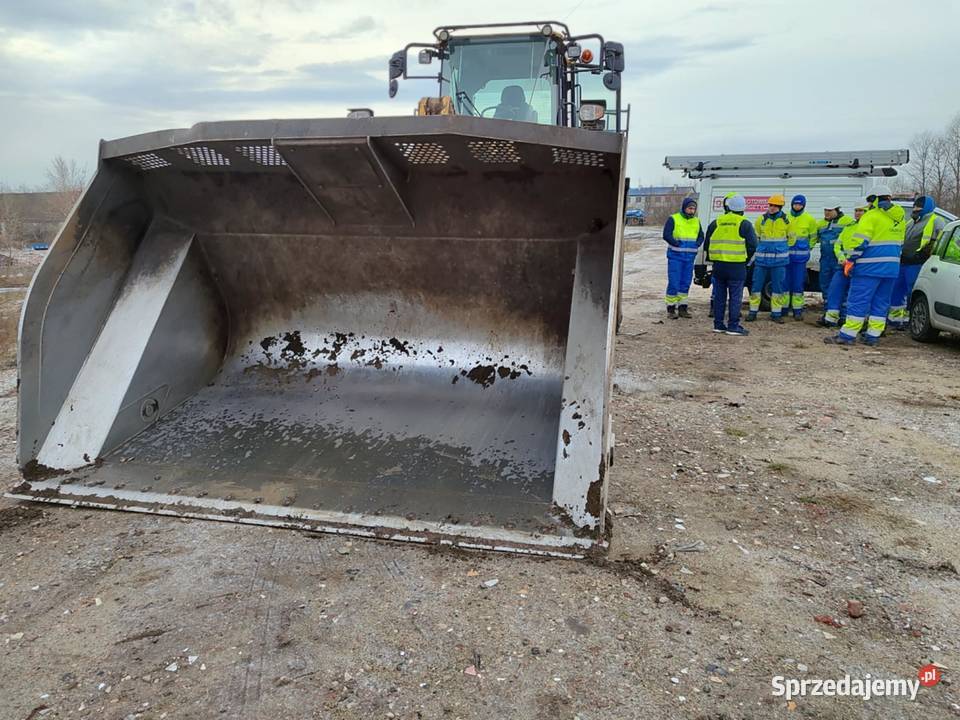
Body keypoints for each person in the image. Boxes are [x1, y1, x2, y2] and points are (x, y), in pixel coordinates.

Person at [824, 185, 906, 346]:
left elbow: (860, 242)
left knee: (858, 301)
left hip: (868, 268)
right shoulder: (900, 218)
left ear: (874, 199)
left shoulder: (871, 216)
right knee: (881, 303)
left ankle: (847, 335)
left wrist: (850, 260)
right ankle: (872, 336)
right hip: (891, 269)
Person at [887, 195, 946, 330]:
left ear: (926, 209)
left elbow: (939, 241)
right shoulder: (911, 223)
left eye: (918, 209)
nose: (915, 211)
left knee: (912, 292)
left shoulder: (936, 220)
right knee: (897, 290)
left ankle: (910, 320)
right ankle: (895, 320)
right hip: (904, 262)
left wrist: (924, 253)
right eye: (914, 208)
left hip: (918, 263)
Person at [703, 193, 757, 335]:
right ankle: (733, 326)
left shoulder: (716, 222)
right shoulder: (744, 224)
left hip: (719, 266)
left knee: (719, 296)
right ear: (743, 209)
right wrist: (745, 260)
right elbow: (753, 246)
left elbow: (707, 244)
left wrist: (713, 259)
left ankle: (718, 324)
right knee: (735, 297)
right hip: (737, 266)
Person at [819, 198, 868, 328]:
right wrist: (842, 258)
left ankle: (845, 317)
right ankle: (830, 317)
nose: (858, 213)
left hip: (857, 266)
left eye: (861, 211)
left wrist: (851, 260)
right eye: (856, 210)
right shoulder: (850, 227)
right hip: (841, 264)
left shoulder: (864, 227)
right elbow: (838, 245)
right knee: (832, 289)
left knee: (851, 293)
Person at [748, 194, 791, 323]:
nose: (772, 208)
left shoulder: (787, 221)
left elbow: (792, 238)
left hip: (779, 262)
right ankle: (752, 312)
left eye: (775, 206)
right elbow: (756, 237)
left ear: (780, 207)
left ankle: (776, 314)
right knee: (756, 287)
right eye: (770, 205)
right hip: (761, 261)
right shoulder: (760, 220)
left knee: (777, 289)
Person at [662, 197, 703, 319]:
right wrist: (675, 243)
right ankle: (670, 309)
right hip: (675, 257)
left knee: (685, 283)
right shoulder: (673, 219)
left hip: (689, 258)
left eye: (693, 208)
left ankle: (682, 308)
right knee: (674, 282)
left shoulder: (696, 221)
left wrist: (697, 244)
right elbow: (666, 235)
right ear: (684, 208)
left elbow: (701, 235)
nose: (692, 210)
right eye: (690, 208)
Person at [815, 198, 855, 313]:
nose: (826, 213)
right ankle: (829, 311)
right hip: (825, 260)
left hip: (840, 261)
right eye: (825, 210)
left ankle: (843, 313)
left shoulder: (848, 221)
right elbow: (816, 238)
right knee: (825, 285)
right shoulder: (821, 224)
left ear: (837, 210)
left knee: (841, 287)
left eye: (829, 210)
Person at [785, 194, 819, 320]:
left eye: (799, 204)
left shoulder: (809, 219)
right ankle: (783, 309)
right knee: (785, 284)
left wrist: (807, 248)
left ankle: (797, 310)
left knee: (798, 285)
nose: (797, 206)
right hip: (786, 257)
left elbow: (814, 237)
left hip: (800, 259)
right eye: (795, 204)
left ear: (803, 205)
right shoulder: (786, 217)